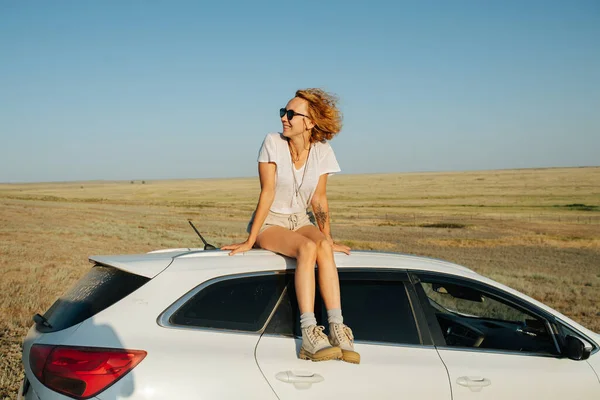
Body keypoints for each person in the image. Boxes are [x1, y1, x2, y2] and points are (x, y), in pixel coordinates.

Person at [222, 88, 359, 364]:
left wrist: (328, 237)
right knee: (307, 249)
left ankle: (337, 328)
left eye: (291, 114)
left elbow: (319, 199)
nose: (284, 118)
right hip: (272, 222)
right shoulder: (272, 142)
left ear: (310, 123)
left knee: (321, 246)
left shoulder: (322, 150)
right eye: (283, 112)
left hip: (301, 220)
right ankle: (309, 332)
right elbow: (268, 193)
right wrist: (251, 240)